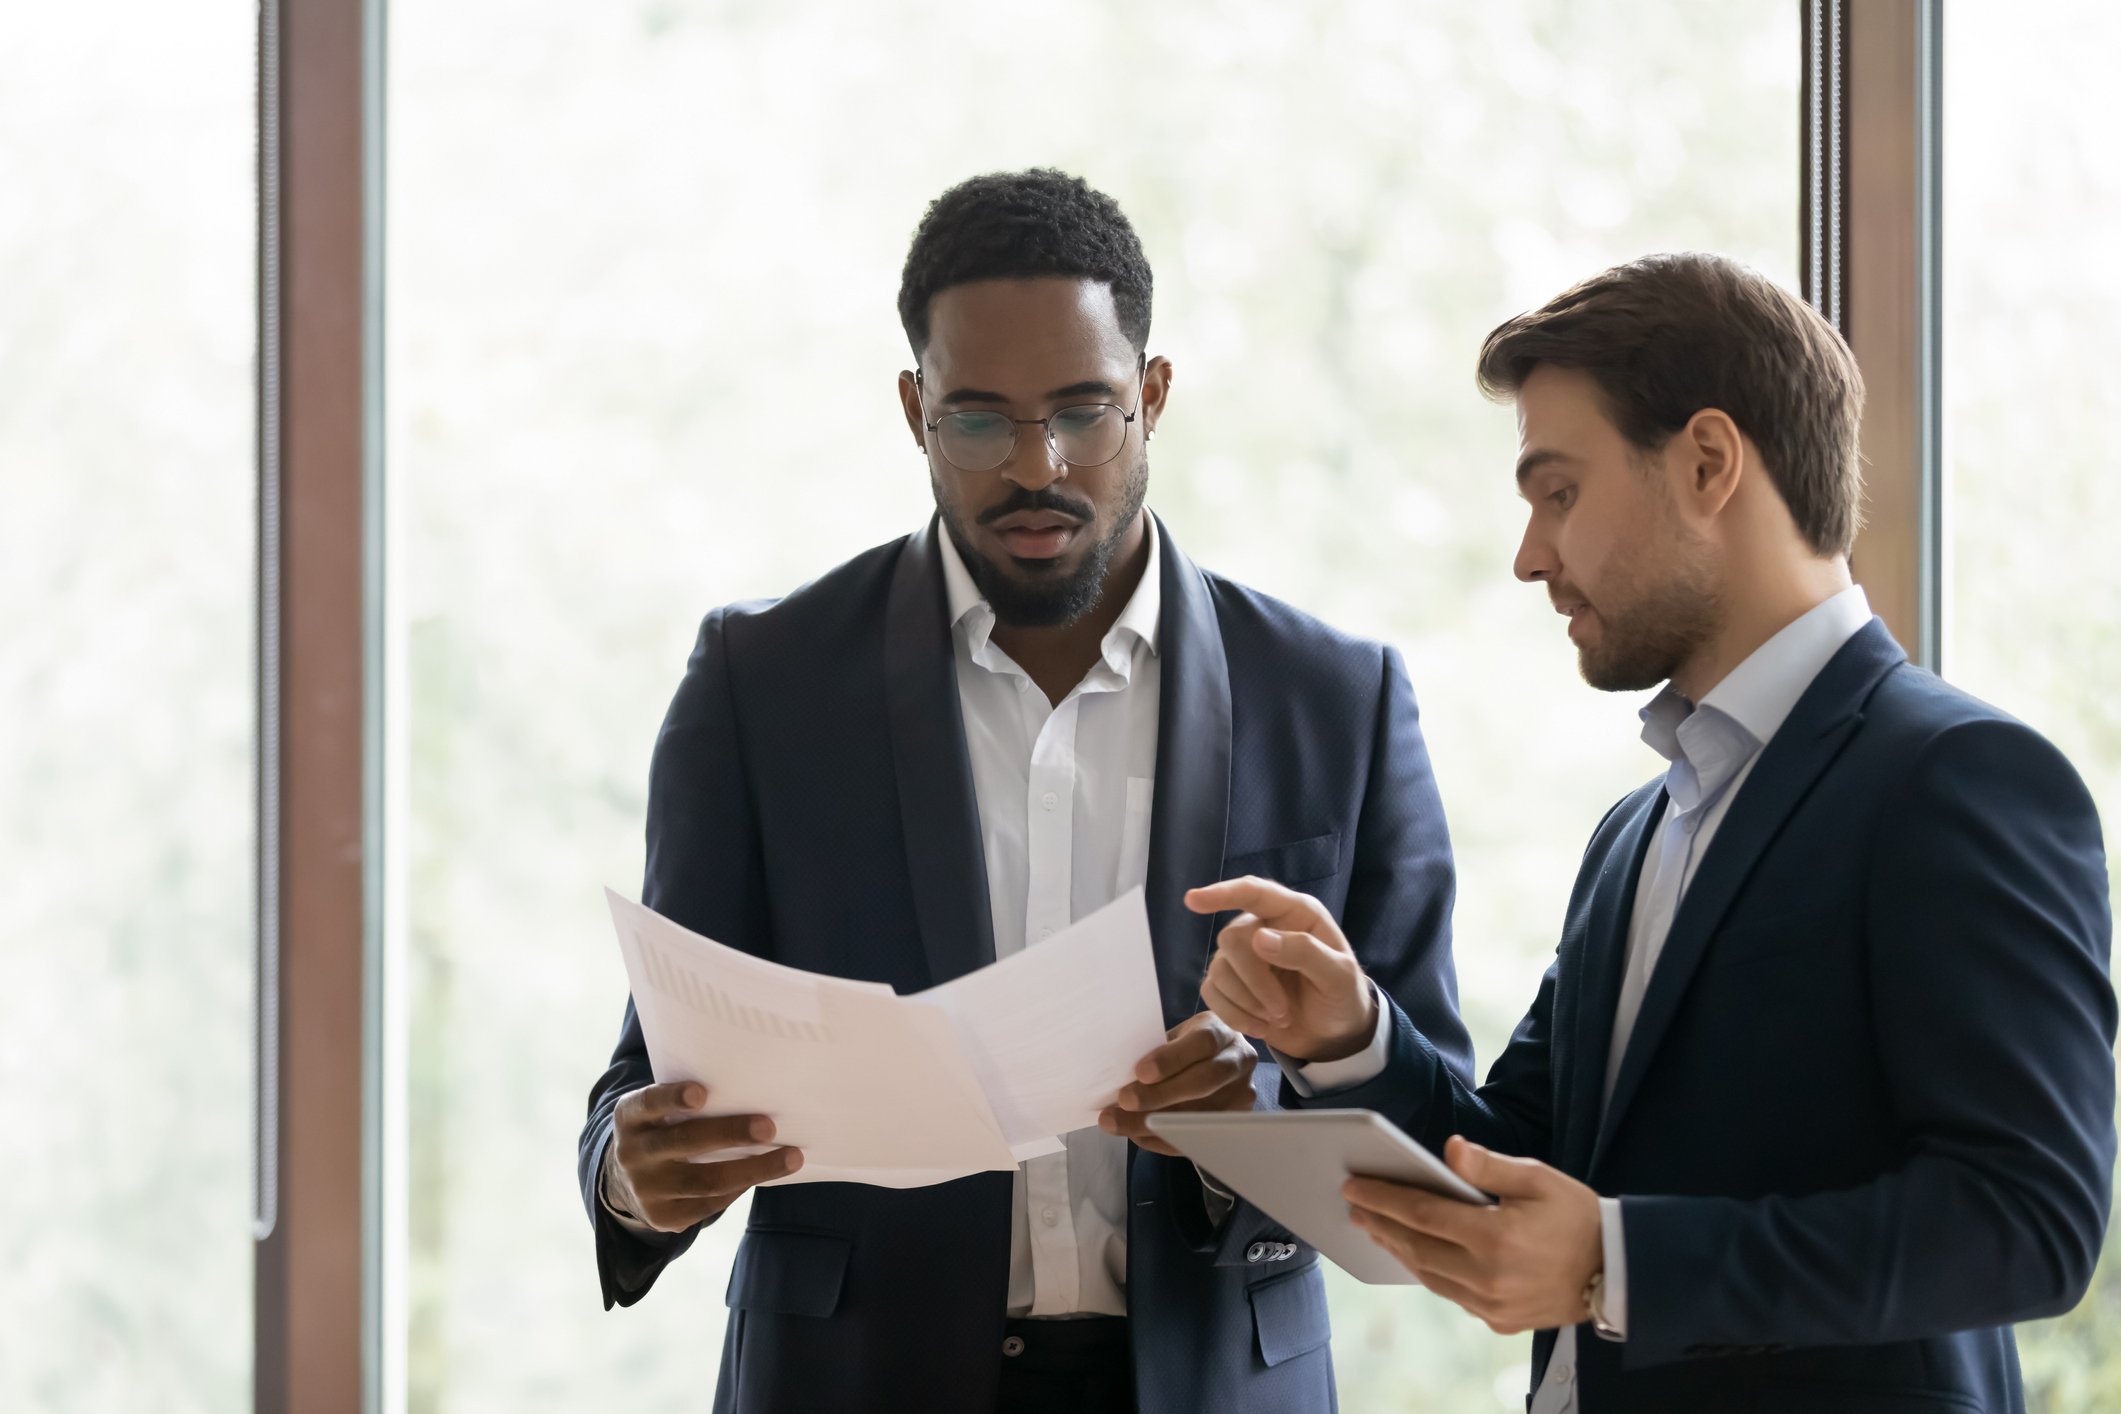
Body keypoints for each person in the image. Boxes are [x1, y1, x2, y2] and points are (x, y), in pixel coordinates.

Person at [576, 168, 1474, 1414]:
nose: (1036, 468)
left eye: (1085, 412)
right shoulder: (761, 683)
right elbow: (650, 1079)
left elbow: (1436, 1139)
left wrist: (1257, 1108)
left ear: (1154, 396)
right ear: (914, 409)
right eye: (981, 421)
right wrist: (633, 1174)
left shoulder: (1338, 699)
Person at [1188, 252, 2116, 1413]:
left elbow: (2029, 1224)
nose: (1530, 554)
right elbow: (1514, 1159)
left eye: (1559, 491)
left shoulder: (1961, 778)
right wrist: (1349, 1034)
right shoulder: (1634, 834)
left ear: (1709, 462)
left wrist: (1615, 1264)